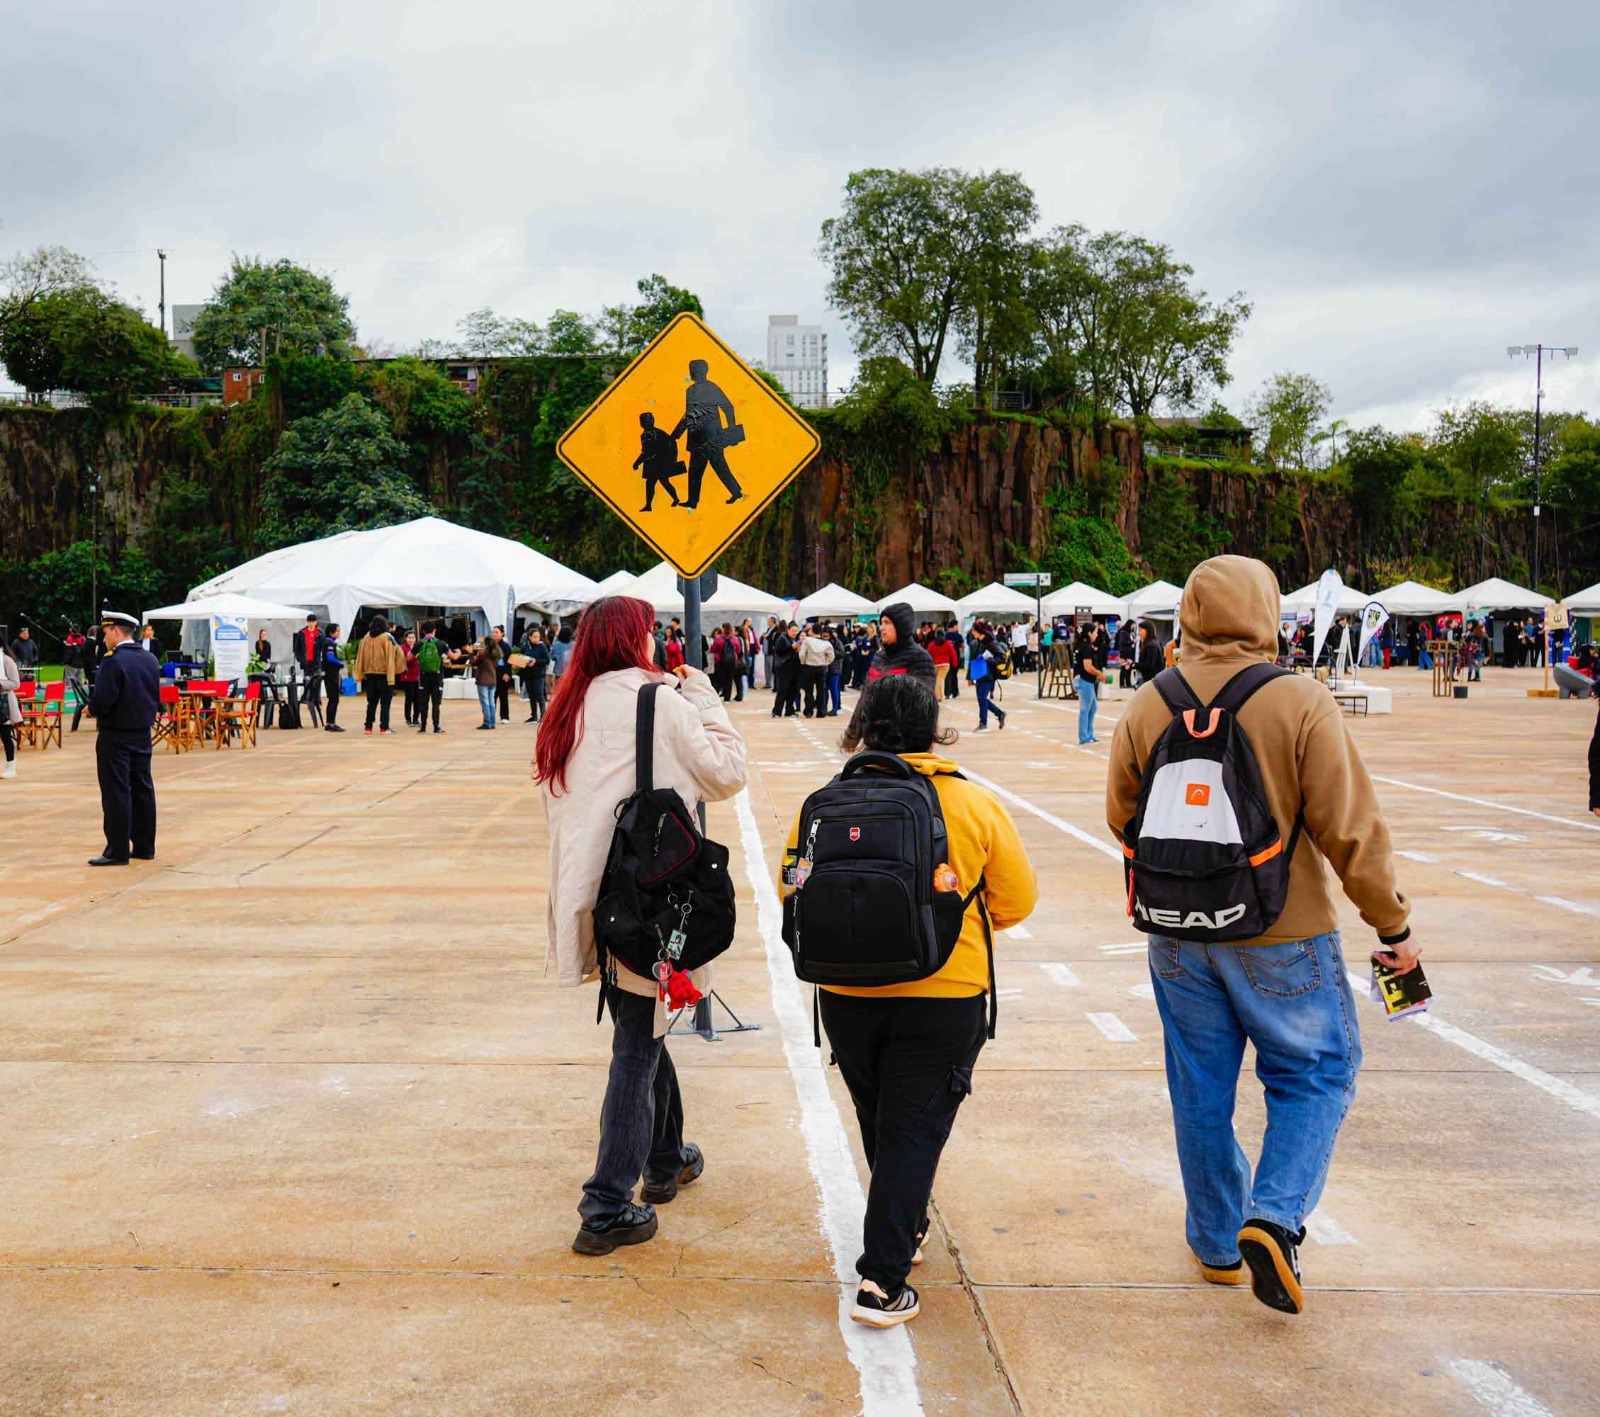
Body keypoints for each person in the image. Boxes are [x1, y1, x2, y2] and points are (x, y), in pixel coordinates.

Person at [1107, 555, 1417, 1316]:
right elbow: (1351, 830)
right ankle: (1274, 1217)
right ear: (1268, 612)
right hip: (1284, 930)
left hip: (1175, 933)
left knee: (1199, 1085)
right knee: (1315, 1072)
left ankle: (1216, 1243)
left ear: (1189, 611)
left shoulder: (1150, 702)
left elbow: (1121, 814)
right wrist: (1393, 924)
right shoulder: (1300, 700)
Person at [784, 675, 1037, 1326]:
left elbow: (794, 888)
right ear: (933, 726)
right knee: (914, 1128)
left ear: (862, 725)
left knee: (882, 1117)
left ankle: (906, 1226)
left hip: (844, 989)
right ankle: (881, 1279)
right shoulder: (970, 802)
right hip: (944, 991)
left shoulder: (823, 803)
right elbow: (1016, 901)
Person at [536, 595, 747, 1256]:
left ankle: (667, 1157)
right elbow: (729, 772)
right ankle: (605, 1204)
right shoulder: (660, 702)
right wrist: (703, 693)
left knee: (641, 1019)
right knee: (636, 1042)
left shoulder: (568, 705)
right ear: (638, 638)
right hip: (647, 894)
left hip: (593, 894)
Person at [85, 611, 161, 866]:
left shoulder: (113, 661)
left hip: (116, 734)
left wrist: (91, 708)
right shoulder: (149, 659)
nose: (104, 639)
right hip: (142, 732)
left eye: (106, 633)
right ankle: (144, 845)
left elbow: (105, 697)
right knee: (142, 788)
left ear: (116, 632)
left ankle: (116, 850)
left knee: (117, 790)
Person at [840, 603, 938, 752]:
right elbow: (865, 698)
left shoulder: (920, 658)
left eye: (888, 623)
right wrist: (852, 734)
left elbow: (927, 706)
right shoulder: (878, 658)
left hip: (905, 742)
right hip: (874, 739)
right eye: (881, 623)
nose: (882, 628)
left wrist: (927, 740)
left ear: (902, 627)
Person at [670, 359, 743, 509]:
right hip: (696, 435)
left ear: (703, 371)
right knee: (695, 470)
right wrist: (676, 434)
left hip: (712, 436)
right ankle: (692, 501)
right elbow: (689, 414)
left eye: (696, 370)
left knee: (719, 466)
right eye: (693, 370)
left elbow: (728, 407)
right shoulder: (690, 391)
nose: (694, 373)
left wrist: (732, 432)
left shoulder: (712, 388)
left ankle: (736, 492)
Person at [355, 617, 406, 735]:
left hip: (370, 675)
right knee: (385, 702)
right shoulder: (387, 637)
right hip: (384, 675)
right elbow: (399, 653)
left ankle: (368, 727)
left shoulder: (366, 638)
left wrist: (361, 672)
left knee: (371, 702)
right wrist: (396, 670)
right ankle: (384, 727)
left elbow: (360, 656)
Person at [633, 412, 684, 511]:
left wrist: (637, 463)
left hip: (656, 463)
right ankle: (674, 499)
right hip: (659, 462)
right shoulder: (659, 432)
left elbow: (646, 452)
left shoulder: (647, 434)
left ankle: (649, 505)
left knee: (652, 483)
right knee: (663, 481)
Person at [969, 623, 1007, 732]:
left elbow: (1002, 657)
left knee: (982, 698)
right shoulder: (978, 642)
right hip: (979, 674)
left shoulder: (991, 642)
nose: (972, 632)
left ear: (978, 631)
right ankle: (1000, 714)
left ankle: (983, 723)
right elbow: (974, 659)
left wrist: (989, 660)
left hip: (989, 675)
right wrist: (970, 676)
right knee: (982, 699)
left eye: (973, 630)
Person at [1074, 624, 1105, 745]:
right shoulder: (1086, 648)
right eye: (1095, 632)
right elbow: (1088, 667)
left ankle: (1089, 734)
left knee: (1092, 707)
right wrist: (1099, 674)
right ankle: (1084, 736)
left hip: (1084, 680)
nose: (1096, 635)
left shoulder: (1080, 646)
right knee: (1085, 709)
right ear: (1089, 633)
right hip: (1084, 680)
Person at [415, 622, 447, 733]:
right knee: (436, 703)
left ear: (423, 631)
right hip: (437, 677)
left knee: (424, 703)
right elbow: (453, 656)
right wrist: (458, 652)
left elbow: (409, 657)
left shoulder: (419, 643)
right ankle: (436, 726)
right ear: (435, 630)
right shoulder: (441, 644)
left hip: (423, 677)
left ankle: (423, 726)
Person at [798, 623, 834, 718]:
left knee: (809, 690)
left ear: (812, 631)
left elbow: (802, 654)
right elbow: (831, 656)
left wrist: (803, 661)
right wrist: (826, 662)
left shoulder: (807, 641)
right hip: (821, 667)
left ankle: (809, 711)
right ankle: (821, 711)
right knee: (821, 690)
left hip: (809, 666)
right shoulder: (826, 643)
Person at [469, 634, 500, 730]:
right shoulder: (496, 654)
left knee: (485, 702)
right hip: (493, 680)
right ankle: (493, 722)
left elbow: (473, 663)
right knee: (491, 702)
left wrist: (470, 653)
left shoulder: (483, 655)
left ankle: (487, 723)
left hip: (483, 681)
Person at [521, 626, 551, 723]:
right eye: (534, 637)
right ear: (529, 637)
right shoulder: (525, 646)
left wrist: (536, 661)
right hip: (528, 674)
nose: (536, 639)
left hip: (539, 674)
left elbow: (547, 660)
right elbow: (521, 657)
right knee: (531, 695)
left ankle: (543, 715)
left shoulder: (542, 647)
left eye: (538, 637)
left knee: (539, 694)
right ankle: (533, 716)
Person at [770, 622, 800, 718]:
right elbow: (779, 651)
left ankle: (789, 710)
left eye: (796, 631)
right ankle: (777, 711)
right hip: (784, 668)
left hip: (794, 668)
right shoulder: (782, 639)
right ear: (788, 630)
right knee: (783, 690)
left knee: (793, 690)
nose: (794, 632)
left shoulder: (796, 639)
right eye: (792, 631)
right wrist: (791, 647)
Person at [0, 641, 20, 779]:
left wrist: (0, 683)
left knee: (5, 735)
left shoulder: (7, 661)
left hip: (4, 703)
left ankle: (11, 767)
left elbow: (15, 683)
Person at [322, 624, 346, 732]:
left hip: (330, 674)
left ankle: (329, 723)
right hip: (331, 675)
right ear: (331, 632)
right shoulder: (329, 644)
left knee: (332, 699)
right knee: (334, 699)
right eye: (337, 631)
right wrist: (339, 663)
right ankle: (331, 723)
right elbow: (330, 658)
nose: (338, 633)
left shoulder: (329, 643)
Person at [398, 629, 422, 726]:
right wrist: (415, 656)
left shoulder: (419, 647)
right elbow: (404, 660)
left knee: (418, 699)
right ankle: (408, 719)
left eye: (413, 638)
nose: (411, 640)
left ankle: (416, 719)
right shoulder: (402, 648)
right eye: (409, 638)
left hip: (418, 677)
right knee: (409, 698)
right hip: (408, 677)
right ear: (405, 638)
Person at [928, 628, 959, 700]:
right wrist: (955, 663)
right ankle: (939, 696)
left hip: (934, 664)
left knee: (935, 680)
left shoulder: (932, 644)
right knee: (940, 680)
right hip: (945, 665)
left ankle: (937, 696)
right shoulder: (947, 643)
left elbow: (928, 653)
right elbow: (953, 654)